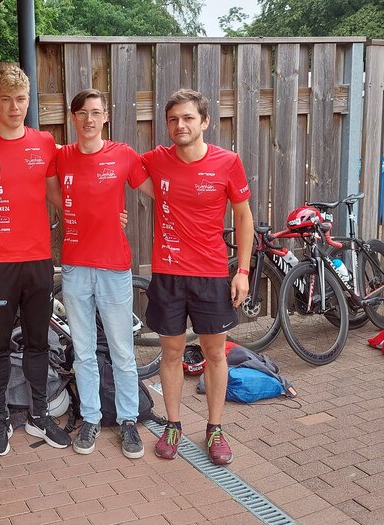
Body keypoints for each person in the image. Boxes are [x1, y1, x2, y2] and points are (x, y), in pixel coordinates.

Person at [0, 66, 71, 456]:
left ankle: (40, 414)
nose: (14, 107)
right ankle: (1, 417)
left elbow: (57, 194)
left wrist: (97, 215)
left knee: (38, 342)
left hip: (38, 260)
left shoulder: (45, 143)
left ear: (28, 100)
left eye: (20, 99)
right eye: (6, 99)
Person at [141, 88, 253, 465]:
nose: (180, 125)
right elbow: (113, 169)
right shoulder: (155, 160)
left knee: (214, 353)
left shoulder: (228, 162)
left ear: (205, 122)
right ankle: (173, 425)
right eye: (173, 119)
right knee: (171, 353)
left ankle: (215, 428)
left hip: (211, 274)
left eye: (188, 118)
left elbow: (244, 217)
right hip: (168, 274)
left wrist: (243, 271)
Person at [51, 89, 152, 458]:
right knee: (83, 351)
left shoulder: (123, 154)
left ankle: (128, 420)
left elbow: (156, 190)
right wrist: (72, 209)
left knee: (122, 351)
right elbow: (43, 181)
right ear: (73, 118)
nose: (89, 119)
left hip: (113, 268)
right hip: (76, 267)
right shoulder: (61, 156)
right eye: (82, 113)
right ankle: (91, 417)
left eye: (96, 112)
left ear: (106, 116)